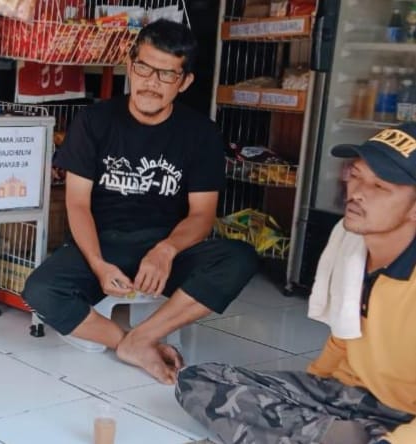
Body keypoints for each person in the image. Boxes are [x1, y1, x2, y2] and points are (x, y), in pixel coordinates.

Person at [21, 19, 258, 385]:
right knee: (40, 290)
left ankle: (144, 336)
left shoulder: (201, 134)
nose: (151, 82)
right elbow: (77, 204)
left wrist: (166, 250)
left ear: (184, 82)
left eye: (167, 74)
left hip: (166, 249)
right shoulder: (94, 121)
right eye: (145, 68)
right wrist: (98, 264)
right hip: (102, 243)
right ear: (130, 66)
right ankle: (131, 343)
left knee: (239, 258)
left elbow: (202, 215)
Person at [176, 124, 416, 444]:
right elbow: (343, 335)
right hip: (347, 396)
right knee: (196, 380)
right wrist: (309, 395)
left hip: (404, 416)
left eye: (380, 186)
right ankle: (333, 435)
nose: (357, 192)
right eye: (356, 175)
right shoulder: (351, 247)